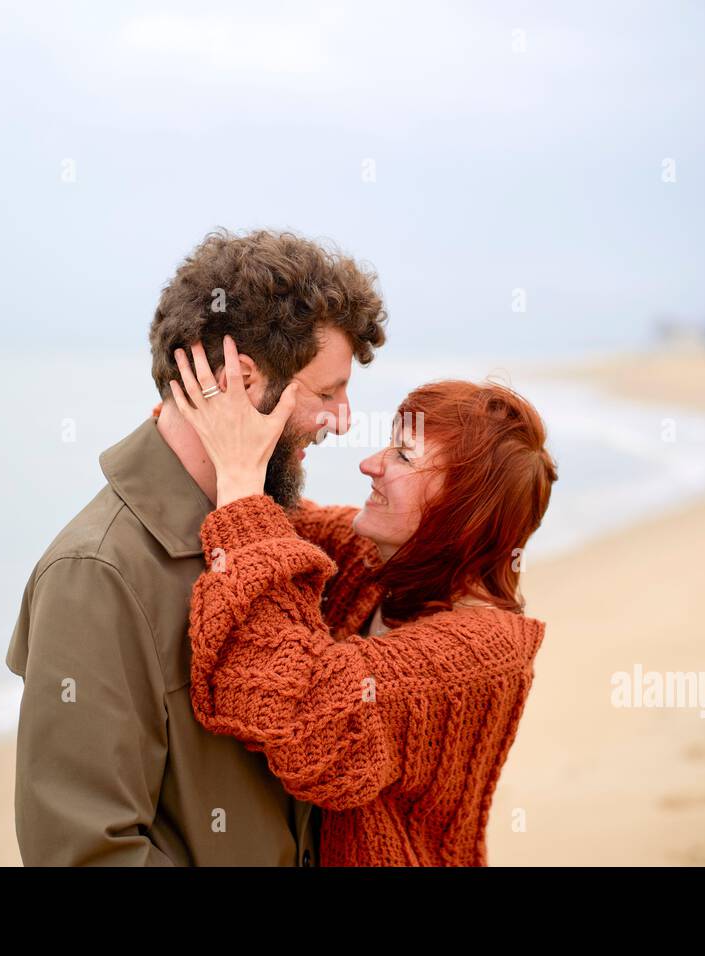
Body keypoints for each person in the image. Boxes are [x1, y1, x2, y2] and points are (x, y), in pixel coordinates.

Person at [5, 229, 387, 865]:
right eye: (326, 394)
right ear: (237, 381)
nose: (343, 420)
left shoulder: (267, 526)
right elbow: (85, 853)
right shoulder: (97, 573)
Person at [169, 335, 557, 865]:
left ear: (460, 507)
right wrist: (209, 429)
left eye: (402, 454)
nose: (370, 464)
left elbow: (301, 714)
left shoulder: (484, 653)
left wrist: (238, 480)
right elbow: (282, 524)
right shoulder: (382, 565)